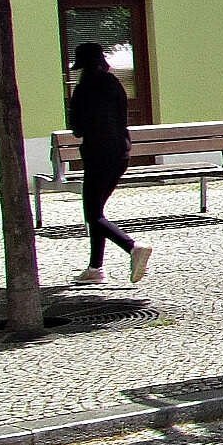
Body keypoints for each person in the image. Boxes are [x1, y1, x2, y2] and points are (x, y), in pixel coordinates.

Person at [66, 42, 152, 286]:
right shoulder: (115, 84)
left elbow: (77, 129)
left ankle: (133, 247)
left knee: (93, 214)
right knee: (97, 213)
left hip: (97, 154)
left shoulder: (83, 90)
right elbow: (121, 116)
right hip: (120, 154)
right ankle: (95, 268)